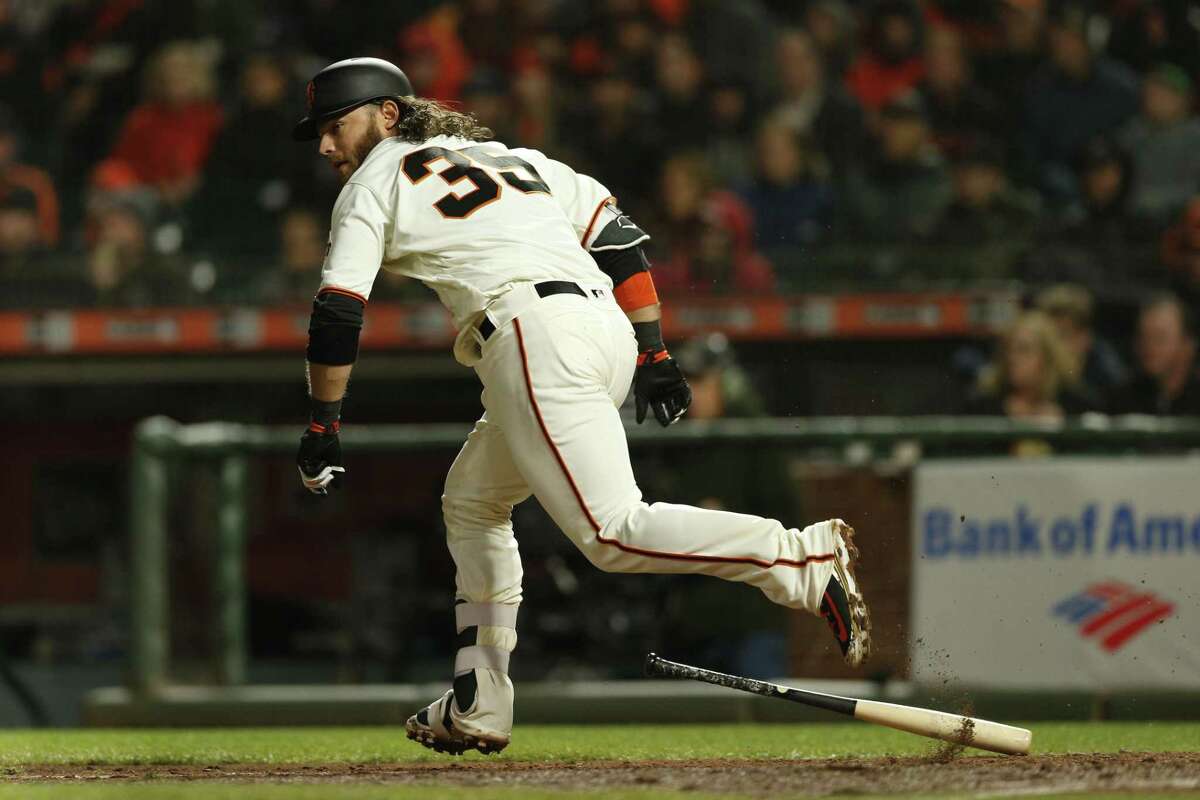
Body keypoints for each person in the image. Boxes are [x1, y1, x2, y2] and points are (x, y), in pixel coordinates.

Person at [290, 57, 871, 754]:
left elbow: (338, 312)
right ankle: (481, 695)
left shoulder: (371, 183)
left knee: (613, 533)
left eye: (336, 124)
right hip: (601, 331)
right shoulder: (512, 156)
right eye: (320, 131)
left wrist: (324, 423)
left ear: (388, 115)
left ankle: (798, 559)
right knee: (472, 501)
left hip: (533, 336)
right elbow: (619, 241)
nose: (326, 145)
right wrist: (654, 351)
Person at [964, 310, 1096, 420]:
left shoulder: (1075, 407)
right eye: (1009, 350)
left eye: (1024, 350)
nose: (1012, 358)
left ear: (1047, 357)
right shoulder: (984, 410)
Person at [1118, 64, 1200, 226]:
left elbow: (1193, 189)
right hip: (1128, 220)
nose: (1155, 99)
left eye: (1163, 93)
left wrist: (1149, 200)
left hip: (1180, 223)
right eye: (1150, 93)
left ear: (1184, 99)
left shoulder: (1195, 135)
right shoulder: (1133, 132)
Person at [1108, 294, 1200, 415]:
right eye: (1143, 337)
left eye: (1159, 338)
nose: (1148, 346)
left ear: (1188, 345)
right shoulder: (1120, 400)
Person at [1034, 284, 1128, 401]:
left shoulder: (1109, 381)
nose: (1052, 346)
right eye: (1048, 338)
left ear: (1085, 338)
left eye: (1062, 336)